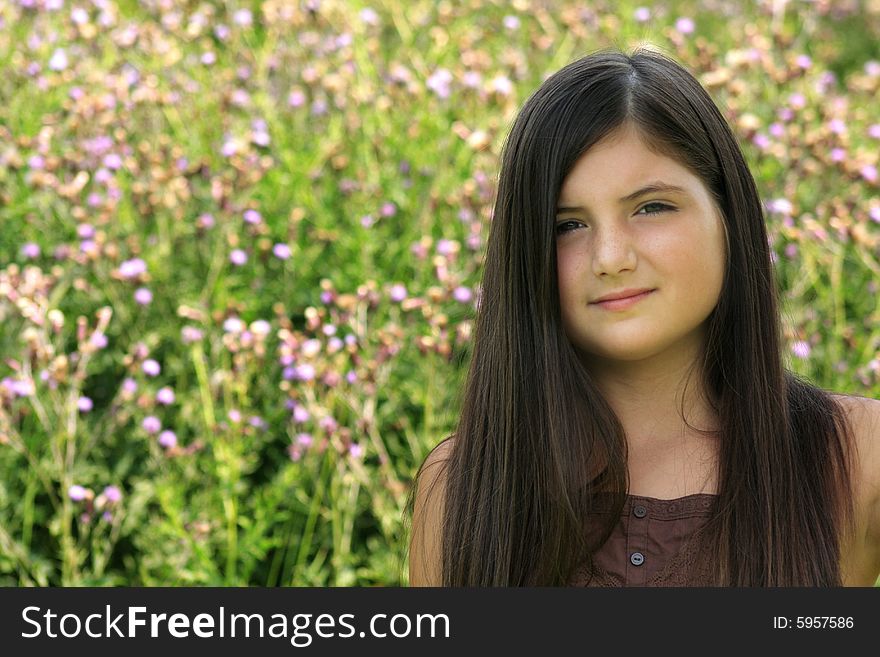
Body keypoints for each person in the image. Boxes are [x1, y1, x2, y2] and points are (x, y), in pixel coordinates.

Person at [406, 46, 880, 587]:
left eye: (651, 207)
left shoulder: (856, 455)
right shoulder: (463, 489)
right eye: (567, 225)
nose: (611, 258)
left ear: (728, 215)